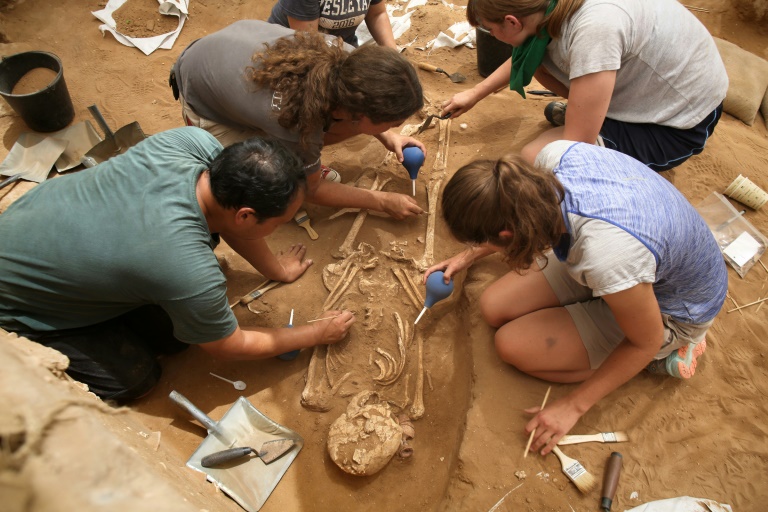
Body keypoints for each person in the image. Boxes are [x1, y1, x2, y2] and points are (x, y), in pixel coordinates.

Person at [0, 127, 355, 402]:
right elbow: (227, 346)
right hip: (15, 302)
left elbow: (231, 221)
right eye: (278, 222)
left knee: (175, 333)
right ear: (247, 216)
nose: (278, 228)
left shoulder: (193, 144)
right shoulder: (186, 268)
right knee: (137, 378)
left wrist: (276, 270)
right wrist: (315, 334)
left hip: (32, 225)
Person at [425, 140, 727, 454]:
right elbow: (516, 217)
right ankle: (608, 305)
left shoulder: (604, 256)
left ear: (506, 235)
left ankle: (672, 352)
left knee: (511, 345)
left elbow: (644, 340)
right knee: (493, 307)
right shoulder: (548, 161)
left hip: (674, 308)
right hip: (631, 262)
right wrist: (469, 256)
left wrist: (573, 407)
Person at [170, 20, 425, 220]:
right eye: (392, 123)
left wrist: (389, 136)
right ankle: (298, 166)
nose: (396, 126)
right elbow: (312, 191)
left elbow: (361, 104)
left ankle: (304, 164)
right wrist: (381, 201)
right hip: (202, 97)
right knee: (272, 184)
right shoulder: (296, 119)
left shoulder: (349, 63)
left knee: (313, 147)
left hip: (226, 54)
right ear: (357, 112)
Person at [442, 0, 728, 171]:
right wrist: (475, 93)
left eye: (491, 30)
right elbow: (526, 58)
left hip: (675, 125)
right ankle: (592, 112)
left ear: (512, 21)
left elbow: (576, 145)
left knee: (537, 158)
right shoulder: (548, 8)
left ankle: (608, 131)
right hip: (654, 88)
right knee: (539, 65)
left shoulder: (594, 31)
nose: (491, 36)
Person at [268, 0, 397, 49]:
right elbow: (309, 46)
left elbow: (377, 15)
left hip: (342, 45)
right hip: (292, 50)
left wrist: (394, 56)